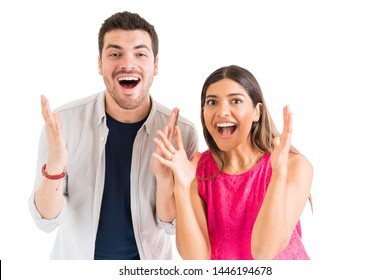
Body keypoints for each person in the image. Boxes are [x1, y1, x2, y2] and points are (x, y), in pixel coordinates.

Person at [29, 11, 198, 260]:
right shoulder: (62, 124)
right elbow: (46, 221)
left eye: (140, 53)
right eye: (115, 54)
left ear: (156, 65)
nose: (128, 64)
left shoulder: (181, 132)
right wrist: (55, 168)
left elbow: (172, 226)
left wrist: (165, 180)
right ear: (100, 64)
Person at [153, 65, 313, 260]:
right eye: (212, 102)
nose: (222, 112)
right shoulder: (198, 170)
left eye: (235, 101)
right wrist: (182, 186)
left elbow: (264, 252)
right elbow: (196, 260)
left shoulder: (295, 166)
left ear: (256, 112)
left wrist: (278, 174)